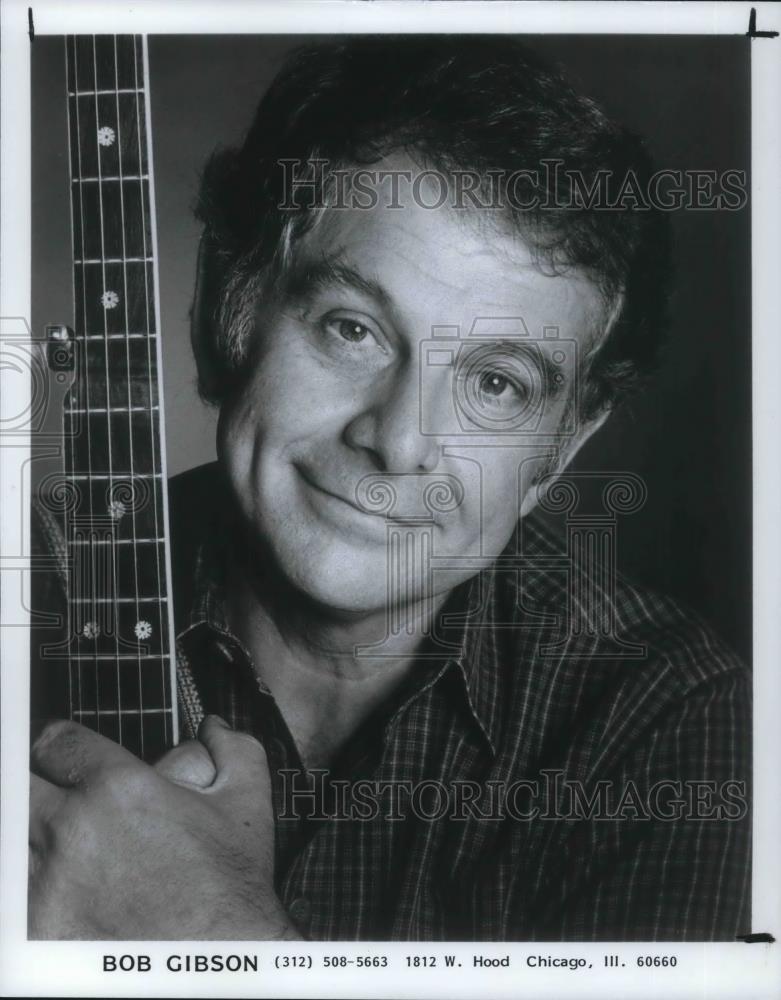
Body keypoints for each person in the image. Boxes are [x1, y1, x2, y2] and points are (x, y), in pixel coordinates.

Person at [28, 37, 750, 940]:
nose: (398, 440)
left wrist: (217, 929)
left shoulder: (664, 720)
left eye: (495, 384)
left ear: (559, 449)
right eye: (351, 329)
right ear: (232, 305)